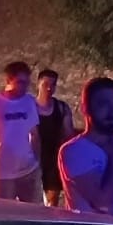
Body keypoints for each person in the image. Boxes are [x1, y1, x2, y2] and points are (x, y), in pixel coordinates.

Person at [58, 77, 113, 216]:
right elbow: (105, 204)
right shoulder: (75, 151)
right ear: (85, 108)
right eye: (104, 104)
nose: (112, 112)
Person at [0, 61, 42, 202]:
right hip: (2, 174)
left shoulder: (29, 101)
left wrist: (37, 162)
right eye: (20, 82)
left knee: (33, 214)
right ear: (8, 81)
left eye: (27, 83)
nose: (24, 87)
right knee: (4, 215)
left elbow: (34, 133)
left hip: (28, 170)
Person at [35, 67, 74, 206]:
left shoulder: (61, 108)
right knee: (32, 201)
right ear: (38, 84)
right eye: (45, 84)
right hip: (32, 160)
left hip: (53, 159)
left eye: (53, 85)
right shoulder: (28, 107)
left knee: (52, 201)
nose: (49, 88)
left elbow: (68, 134)